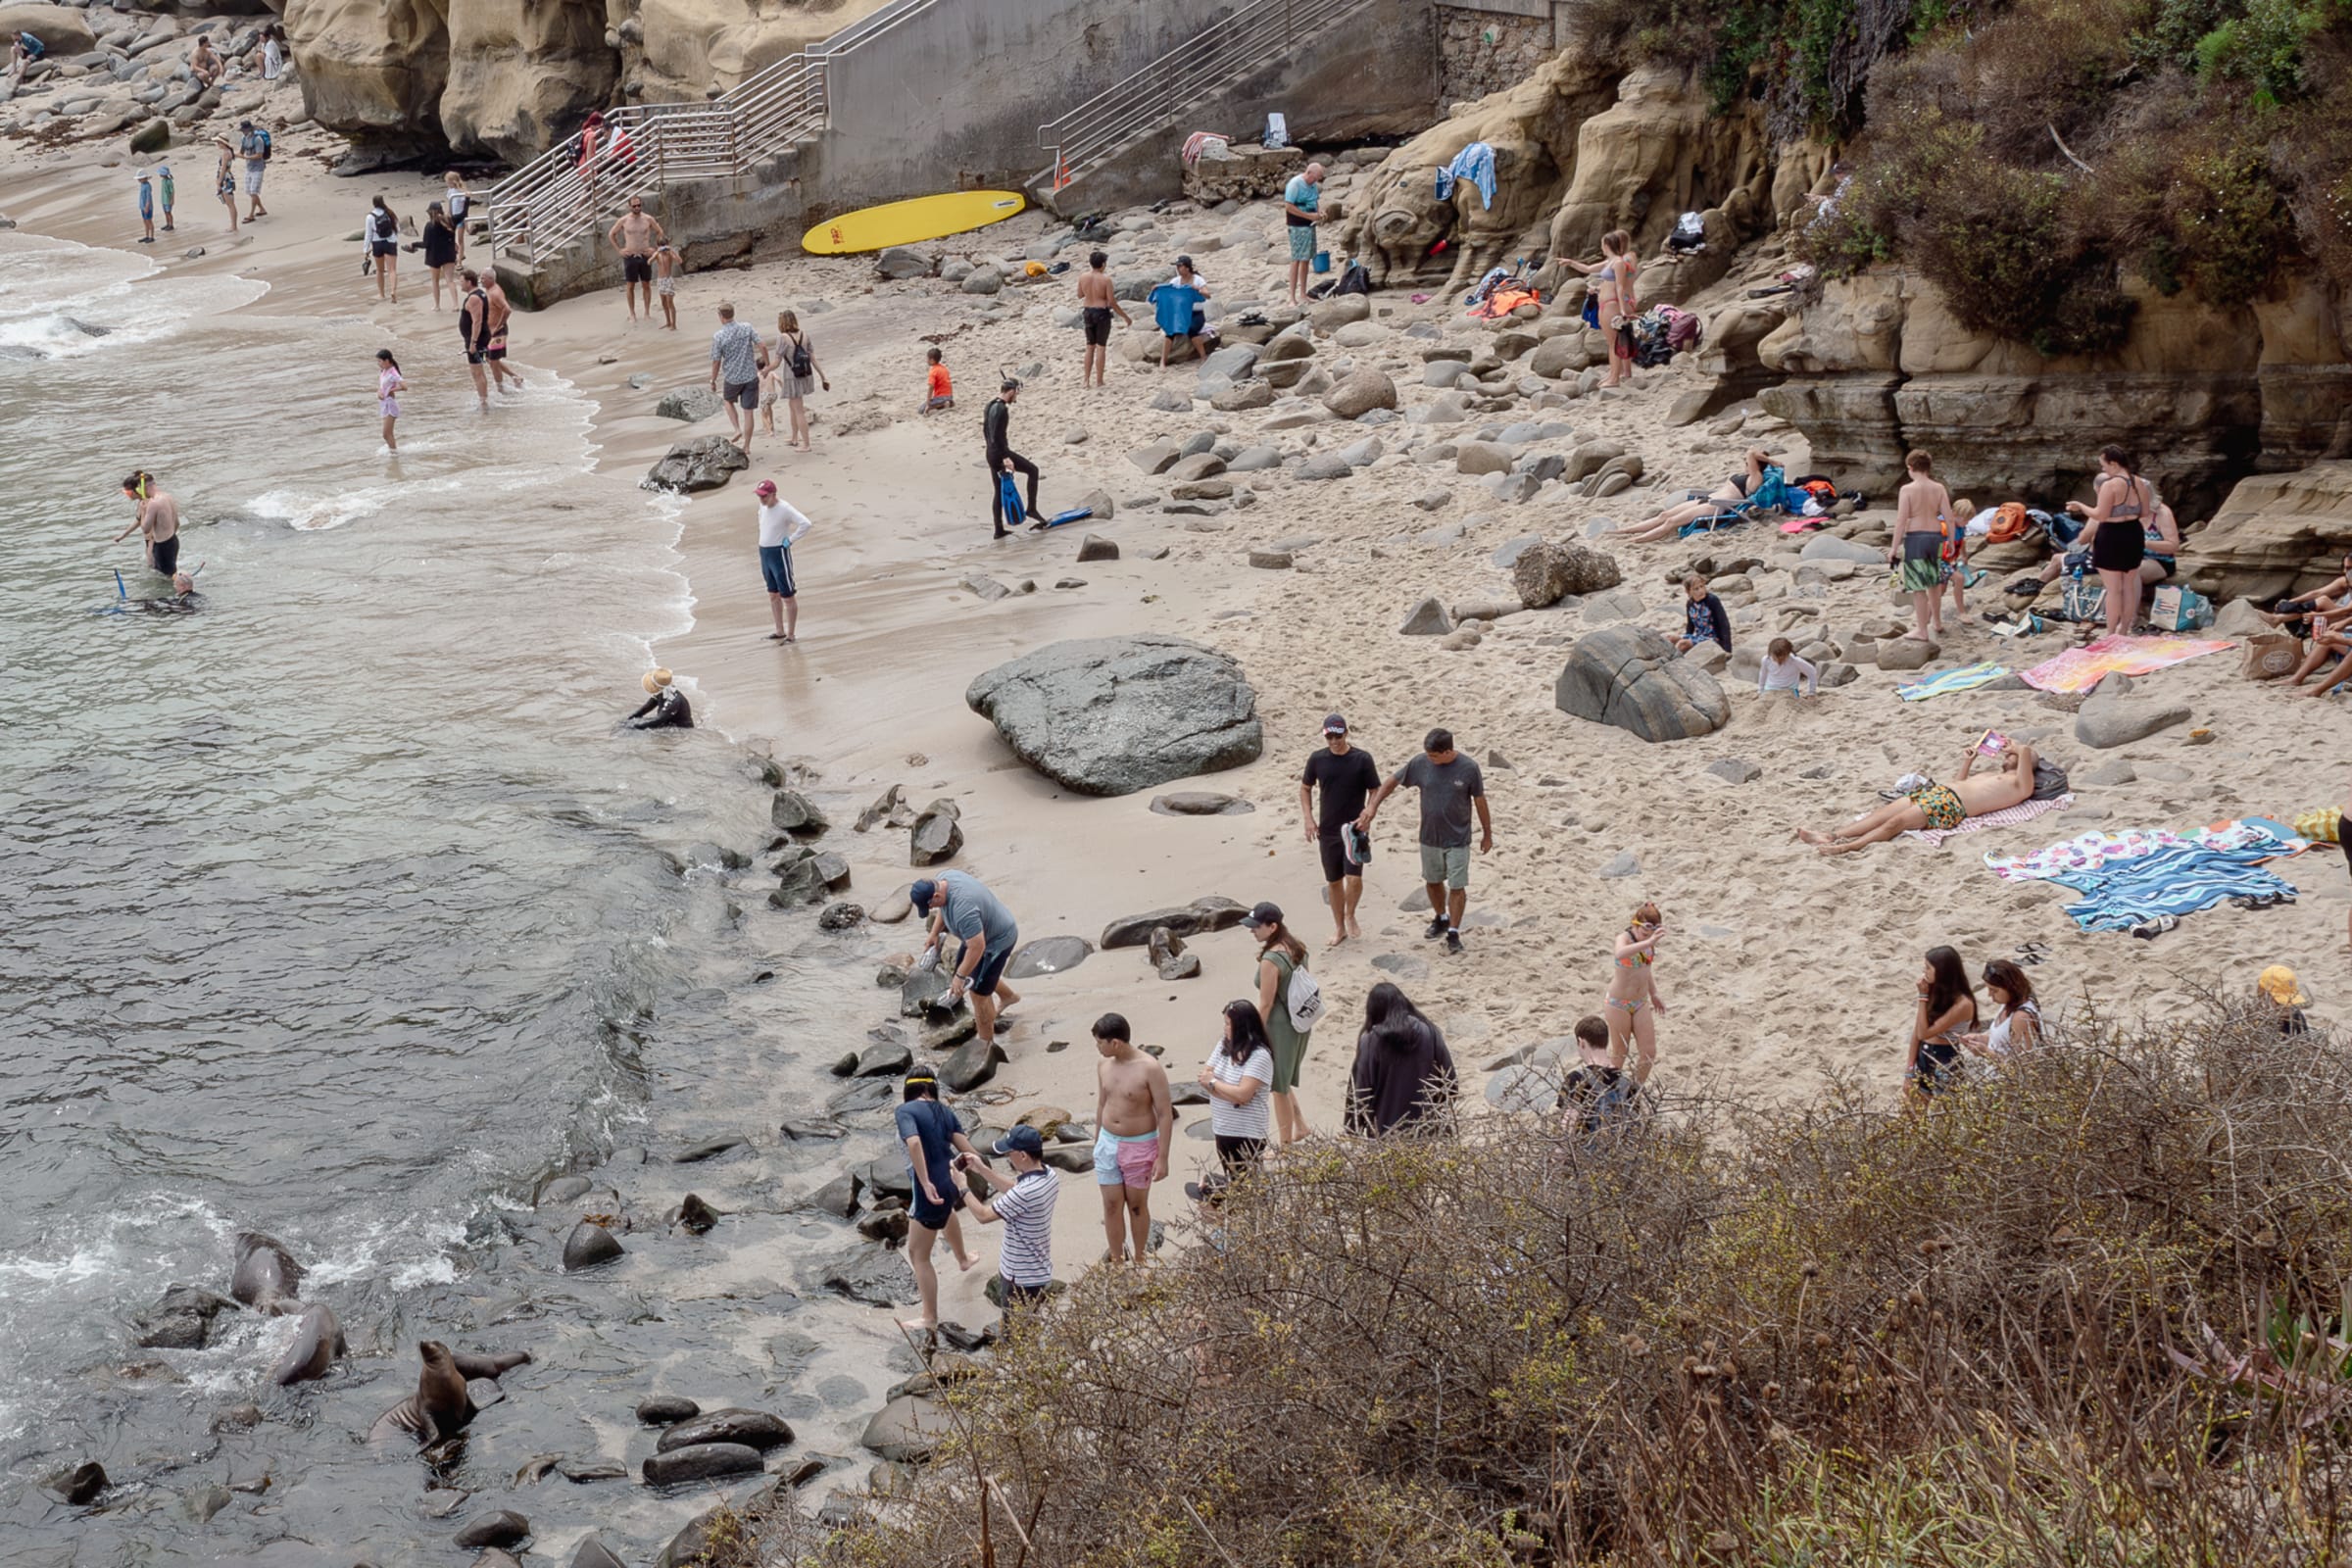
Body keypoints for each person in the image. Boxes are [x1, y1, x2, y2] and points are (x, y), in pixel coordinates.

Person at [1357, 727, 1492, 955]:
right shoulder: (1420, 763)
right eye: (1428, 755)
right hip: (1429, 837)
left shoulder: (1469, 768)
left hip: (1458, 838)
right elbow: (1391, 782)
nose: (1430, 759)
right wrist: (1372, 806)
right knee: (1432, 881)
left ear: (1448, 751)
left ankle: (1454, 932)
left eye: (1434, 756)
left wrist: (1487, 833)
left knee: (1457, 886)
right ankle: (1441, 917)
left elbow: (1480, 801)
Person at [1795, 738, 2039, 854]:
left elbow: (2026, 750)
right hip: (1940, 792)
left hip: (1951, 806)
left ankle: (1850, 847)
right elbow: (1959, 782)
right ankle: (1831, 835)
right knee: (1881, 815)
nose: (2008, 755)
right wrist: (1968, 761)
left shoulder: (2019, 785)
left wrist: (2017, 748)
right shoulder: (1990, 773)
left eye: (2013, 756)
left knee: (1895, 823)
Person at [894, 1070, 980, 1334]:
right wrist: (985, 1170)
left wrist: (925, 1181)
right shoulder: (944, 1111)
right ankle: (963, 1258)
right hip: (950, 1180)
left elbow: (915, 1144)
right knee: (947, 1212)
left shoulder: (905, 1111)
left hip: (928, 1188)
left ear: (909, 1090)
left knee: (917, 1255)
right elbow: (968, 1150)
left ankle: (929, 1316)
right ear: (932, 1089)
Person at [1090, 1012, 1172, 1263]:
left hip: (1139, 1144)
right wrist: (1097, 1142)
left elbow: (1165, 1114)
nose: (1097, 1047)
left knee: (1136, 1206)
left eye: (1099, 1042)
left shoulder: (1150, 1068)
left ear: (1116, 1043)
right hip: (1107, 1142)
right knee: (1112, 1206)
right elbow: (1102, 1103)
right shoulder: (1103, 1065)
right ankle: (1116, 1259)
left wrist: (1163, 1157)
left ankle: (1139, 1258)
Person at [910, 873, 1022, 1051]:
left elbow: (977, 947)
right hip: (977, 936)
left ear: (936, 896)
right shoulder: (944, 879)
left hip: (997, 942)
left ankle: (986, 1045)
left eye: (929, 905)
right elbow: (942, 910)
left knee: (977, 993)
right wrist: (933, 934)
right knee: (976, 976)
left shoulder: (964, 910)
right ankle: (1008, 997)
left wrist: (961, 976)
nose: (931, 909)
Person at [956, 1126, 1057, 1314]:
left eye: (1010, 1153)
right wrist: (982, 1170)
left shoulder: (1026, 1193)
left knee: (1015, 1334)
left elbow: (983, 1215)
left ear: (1023, 1155)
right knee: (1030, 1324)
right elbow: (1013, 1188)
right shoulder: (1049, 1175)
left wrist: (962, 1186)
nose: (1008, 1157)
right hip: (1037, 1269)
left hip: (1019, 1277)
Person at [1298, 712, 1378, 946]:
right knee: (1334, 881)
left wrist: (1369, 812)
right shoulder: (1317, 759)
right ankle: (1339, 927)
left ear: (1346, 733)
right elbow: (1305, 788)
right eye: (1329, 736)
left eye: (1338, 736)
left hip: (1355, 829)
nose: (1334, 741)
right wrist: (1308, 818)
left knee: (1353, 878)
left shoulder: (1362, 759)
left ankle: (1350, 914)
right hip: (1328, 830)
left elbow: (1375, 790)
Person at [1344, 982, 1456, 1136]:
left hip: (1383, 1135)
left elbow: (1360, 1092)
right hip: (1427, 1131)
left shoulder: (1369, 1040)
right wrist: (1436, 1112)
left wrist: (1353, 1129)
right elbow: (1450, 1081)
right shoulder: (1429, 1032)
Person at [1245, 903, 1314, 1149]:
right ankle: (1300, 1125)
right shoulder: (1296, 947)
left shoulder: (1271, 959)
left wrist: (1255, 1034)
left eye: (1256, 927)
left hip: (1279, 1027)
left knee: (1278, 1087)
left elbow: (1265, 1003)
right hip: (1300, 1021)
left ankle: (1285, 1145)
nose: (1252, 931)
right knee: (1281, 1079)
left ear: (1272, 926)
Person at [2068, 444, 2154, 639]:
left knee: (2113, 589)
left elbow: (2100, 514)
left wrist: (2080, 506)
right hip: (2133, 533)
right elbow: (2145, 512)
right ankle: (2124, 631)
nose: (2103, 470)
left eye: (2103, 465)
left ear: (2113, 464)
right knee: (2129, 586)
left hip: (2112, 535)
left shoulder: (2110, 485)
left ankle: (2110, 633)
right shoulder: (2138, 482)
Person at [1616, 449, 1770, 542]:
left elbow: (1751, 452)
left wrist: (1772, 461)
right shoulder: (1745, 475)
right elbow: (1751, 451)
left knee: (1671, 522)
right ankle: (1623, 532)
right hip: (1708, 499)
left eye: (1749, 462)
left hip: (1716, 506)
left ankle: (1634, 540)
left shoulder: (1755, 479)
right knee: (1664, 515)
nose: (1746, 463)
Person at [1197, 1000, 1275, 1182]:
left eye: (1228, 1024)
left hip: (1248, 1132)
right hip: (1223, 1127)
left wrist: (1215, 1084)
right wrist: (1228, 1093)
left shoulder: (1260, 1055)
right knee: (1232, 1179)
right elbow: (1204, 1077)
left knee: (1247, 1183)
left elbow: (1243, 1094)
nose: (1225, 1028)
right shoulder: (1223, 1046)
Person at [1560, 230, 1639, 389]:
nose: (1601, 247)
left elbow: (1620, 286)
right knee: (1612, 342)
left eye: (1602, 244)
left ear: (1607, 245)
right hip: (1604, 302)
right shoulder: (1610, 262)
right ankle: (1614, 374)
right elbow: (1588, 268)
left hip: (1612, 303)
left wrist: (1623, 309)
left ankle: (1615, 378)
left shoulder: (1619, 262)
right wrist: (1570, 262)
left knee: (1614, 342)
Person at [1891, 450, 1953, 642]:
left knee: (1918, 587)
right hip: (1935, 536)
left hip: (1916, 538)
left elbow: (1901, 520)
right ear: (1928, 467)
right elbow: (1949, 518)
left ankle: (1921, 630)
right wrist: (1951, 541)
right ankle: (1937, 622)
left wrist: (1894, 548)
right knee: (1934, 583)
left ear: (1910, 468)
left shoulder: (1907, 490)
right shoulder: (1939, 488)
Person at [1603, 904, 1668, 1084]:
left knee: (1649, 1053)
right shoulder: (1625, 938)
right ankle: (1608, 1093)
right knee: (1619, 1053)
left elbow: (1646, 969)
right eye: (1645, 930)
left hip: (1640, 1002)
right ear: (1635, 925)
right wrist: (1647, 942)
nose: (1648, 935)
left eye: (1653, 931)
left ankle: (1634, 1092)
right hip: (1618, 1003)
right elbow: (1619, 954)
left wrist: (1654, 993)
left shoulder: (1648, 944)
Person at [1905, 946, 1978, 1102]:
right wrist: (1909, 1071)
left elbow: (1924, 1032)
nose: (1924, 971)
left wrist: (1922, 997)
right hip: (1924, 1054)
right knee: (1913, 1109)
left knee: (1944, 1113)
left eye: (1928, 968)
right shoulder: (1936, 991)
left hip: (1945, 1058)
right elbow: (1917, 1033)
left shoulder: (1964, 1003)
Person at [752, 478, 810, 643]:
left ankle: (791, 634)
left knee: (787, 595)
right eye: (760, 496)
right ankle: (779, 630)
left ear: (773, 494)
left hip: (779, 553)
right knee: (773, 593)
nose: (762, 499)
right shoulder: (762, 508)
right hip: (764, 552)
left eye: (765, 496)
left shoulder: (784, 508)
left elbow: (805, 524)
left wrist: (790, 540)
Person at [1557, 1014, 1637, 1137]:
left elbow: (1568, 1125)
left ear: (1581, 1042)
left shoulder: (1577, 1078)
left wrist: (1557, 1154)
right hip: (1622, 1153)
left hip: (1585, 1153)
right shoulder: (1629, 1082)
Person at [1955, 958, 2039, 1069]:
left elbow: (2024, 1066)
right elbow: (2006, 1045)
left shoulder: (2021, 1018)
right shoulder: (2007, 1004)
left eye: (1994, 990)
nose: (1990, 994)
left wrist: (1986, 1052)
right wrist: (1981, 1039)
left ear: (2010, 987)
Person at [982, 378, 1039, 539]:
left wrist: (996, 454)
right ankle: (1031, 508)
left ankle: (998, 530)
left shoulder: (990, 405)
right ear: (1012, 391)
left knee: (998, 491)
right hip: (999, 453)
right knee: (1033, 470)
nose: (1017, 396)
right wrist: (1006, 457)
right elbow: (997, 436)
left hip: (990, 453)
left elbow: (987, 433)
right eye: (1017, 392)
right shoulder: (1001, 409)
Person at [708, 302, 762, 457]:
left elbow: (716, 361)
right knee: (748, 412)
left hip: (732, 377)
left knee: (728, 401)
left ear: (721, 317)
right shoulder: (747, 327)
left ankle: (737, 428)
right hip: (750, 375)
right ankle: (746, 446)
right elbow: (761, 345)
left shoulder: (719, 336)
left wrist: (713, 380)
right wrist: (767, 363)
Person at [769, 309, 827, 452]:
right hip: (806, 374)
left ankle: (806, 444)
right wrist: (823, 376)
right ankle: (794, 437)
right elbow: (813, 358)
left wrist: (765, 370)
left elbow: (776, 362)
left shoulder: (782, 338)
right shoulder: (804, 335)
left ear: (781, 323)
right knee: (793, 407)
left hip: (792, 376)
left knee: (798, 410)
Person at [607, 195, 666, 323]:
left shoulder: (648, 219)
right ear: (630, 207)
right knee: (630, 285)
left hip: (645, 254)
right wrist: (619, 250)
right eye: (634, 206)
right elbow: (611, 234)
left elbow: (660, 232)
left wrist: (655, 249)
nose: (637, 208)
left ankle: (646, 312)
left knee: (646, 284)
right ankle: (632, 313)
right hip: (630, 255)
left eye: (639, 205)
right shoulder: (624, 220)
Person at [1075, 249, 1129, 386]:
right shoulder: (1106, 279)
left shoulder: (1083, 277)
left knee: (1089, 346)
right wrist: (1125, 317)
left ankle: (1086, 380)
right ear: (1103, 264)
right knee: (1101, 347)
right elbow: (1112, 301)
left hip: (1087, 311)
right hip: (1101, 313)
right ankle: (1099, 380)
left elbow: (1080, 295)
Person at [111, 471, 181, 576]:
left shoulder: (152, 503)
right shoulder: (167, 496)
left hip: (162, 545)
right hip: (173, 541)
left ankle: (181, 587)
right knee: (170, 573)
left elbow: (145, 529)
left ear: (143, 488)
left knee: (163, 578)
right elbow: (177, 522)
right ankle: (181, 583)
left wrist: (144, 510)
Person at [1149, 256, 1209, 368]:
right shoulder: (1175, 281)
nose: (1177, 268)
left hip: (1196, 314)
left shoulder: (1198, 279)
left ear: (1187, 267)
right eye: (1177, 266)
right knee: (1170, 332)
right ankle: (1163, 362)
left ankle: (1203, 356)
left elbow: (1208, 295)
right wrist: (1157, 289)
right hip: (1180, 314)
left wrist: (1198, 289)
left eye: (1180, 266)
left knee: (1191, 329)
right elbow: (1168, 292)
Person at [1281, 162, 1325, 304]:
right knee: (1296, 259)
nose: (1316, 180)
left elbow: (1316, 201)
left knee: (1306, 259)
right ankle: (1292, 297)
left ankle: (1303, 294)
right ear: (1309, 173)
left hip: (1310, 225)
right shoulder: (1295, 184)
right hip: (1297, 226)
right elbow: (1288, 206)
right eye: (1316, 177)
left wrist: (1320, 212)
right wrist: (1308, 216)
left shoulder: (1313, 185)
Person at [457, 268, 492, 413]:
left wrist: (473, 343)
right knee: (481, 366)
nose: (460, 285)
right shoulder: (479, 295)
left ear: (469, 282)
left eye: (462, 282)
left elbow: (477, 322)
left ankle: (483, 402)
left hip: (477, 340)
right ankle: (484, 398)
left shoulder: (474, 298)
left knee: (477, 372)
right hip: (480, 338)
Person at [1674, 572, 1731, 656]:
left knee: (1682, 644)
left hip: (1713, 638)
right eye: (1696, 589)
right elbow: (1690, 625)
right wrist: (1687, 637)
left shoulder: (1712, 600)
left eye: (1702, 586)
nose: (1701, 591)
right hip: (1699, 636)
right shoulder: (1690, 604)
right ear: (1688, 592)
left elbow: (1724, 624)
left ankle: (1672, 660)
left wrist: (1727, 649)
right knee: (1670, 638)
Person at [482, 270, 521, 393]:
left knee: (493, 361)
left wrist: (498, 325)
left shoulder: (495, 293)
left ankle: (500, 388)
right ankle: (515, 376)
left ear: (490, 279)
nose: (481, 280)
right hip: (491, 331)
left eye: (483, 278)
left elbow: (507, 309)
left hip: (498, 331)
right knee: (488, 358)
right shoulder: (489, 290)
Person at [420, 202, 458, 310]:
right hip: (449, 254)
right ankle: (455, 304)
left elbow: (426, 244)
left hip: (434, 256)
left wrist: (413, 245)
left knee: (435, 281)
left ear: (430, 212)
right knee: (450, 280)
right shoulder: (449, 222)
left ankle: (437, 305)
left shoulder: (429, 226)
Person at [627, 667, 692, 729]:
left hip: (680, 728)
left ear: (655, 687)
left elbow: (659, 720)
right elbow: (646, 708)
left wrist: (635, 727)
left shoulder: (673, 701)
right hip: (667, 721)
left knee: (638, 729)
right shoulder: (662, 692)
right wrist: (630, 718)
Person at [2258, 965, 2313, 1036]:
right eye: (2279, 1003)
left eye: (2291, 1002)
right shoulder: (2251, 1018)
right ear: (2263, 996)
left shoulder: (2296, 1018)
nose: (2286, 1007)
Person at [365, 195, 398, 301]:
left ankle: (381, 294)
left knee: (380, 270)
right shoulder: (390, 213)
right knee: (392, 270)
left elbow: (368, 234)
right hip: (390, 242)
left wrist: (365, 249)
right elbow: (398, 228)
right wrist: (394, 238)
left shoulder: (370, 217)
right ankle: (393, 291)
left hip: (377, 243)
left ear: (373, 203)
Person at [236, 120, 270, 220]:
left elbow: (259, 155)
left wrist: (247, 158)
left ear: (250, 129)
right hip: (249, 168)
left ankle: (251, 214)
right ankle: (262, 209)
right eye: (242, 130)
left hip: (258, 168)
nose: (243, 132)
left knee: (254, 191)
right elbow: (241, 152)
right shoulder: (244, 138)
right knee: (250, 192)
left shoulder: (258, 139)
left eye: (245, 130)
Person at [374, 348, 405, 453]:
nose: (378, 363)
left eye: (380, 361)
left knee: (386, 434)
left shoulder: (393, 373)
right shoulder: (384, 371)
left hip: (390, 405)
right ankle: (393, 452)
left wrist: (391, 390)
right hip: (384, 404)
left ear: (387, 361)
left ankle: (394, 454)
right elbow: (381, 387)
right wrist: (379, 392)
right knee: (387, 434)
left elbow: (404, 386)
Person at [442, 170, 470, 262]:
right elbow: (450, 204)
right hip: (452, 216)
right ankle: (458, 252)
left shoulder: (461, 191)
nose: (447, 184)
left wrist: (466, 221)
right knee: (449, 237)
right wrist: (447, 214)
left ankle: (460, 259)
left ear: (452, 182)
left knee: (460, 239)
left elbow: (465, 206)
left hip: (461, 217)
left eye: (448, 182)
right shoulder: (450, 191)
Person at [214, 139, 241, 235]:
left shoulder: (226, 153)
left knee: (230, 204)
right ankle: (233, 226)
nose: (217, 144)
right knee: (230, 204)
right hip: (228, 177)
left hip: (226, 179)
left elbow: (223, 169)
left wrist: (219, 182)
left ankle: (234, 226)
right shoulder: (229, 152)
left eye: (219, 143)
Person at [652, 242, 678, 329]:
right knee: (663, 302)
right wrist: (655, 253)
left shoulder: (669, 254)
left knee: (670, 302)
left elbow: (679, 261)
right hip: (660, 280)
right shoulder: (658, 255)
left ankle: (674, 324)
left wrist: (672, 251)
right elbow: (648, 262)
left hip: (668, 280)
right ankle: (668, 322)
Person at [922, 346, 954, 414]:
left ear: (932, 360)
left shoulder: (933, 371)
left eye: (927, 358)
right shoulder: (944, 368)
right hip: (949, 395)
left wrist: (928, 403)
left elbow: (931, 387)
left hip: (941, 397)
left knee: (921, 409)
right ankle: (947, 402)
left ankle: (943, 403)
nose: (926, 360)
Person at [135, 171, 155, 243]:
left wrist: (147, 206)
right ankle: (147, 236)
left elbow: (148, 197)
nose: (139, 180)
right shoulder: (142, 185)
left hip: (147, 207)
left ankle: (151, 237)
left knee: (149, 221)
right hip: (142, 206)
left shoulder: (147, 186)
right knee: (145, 221)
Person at [157, 161, 174, 232]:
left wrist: (172, 200)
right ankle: (167, 224)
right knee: (165, 212)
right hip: (164, 199)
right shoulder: (163, 180)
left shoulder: (169, 181)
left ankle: (171, 225)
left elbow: (172, 191)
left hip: (167, 199)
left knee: (168, 212)